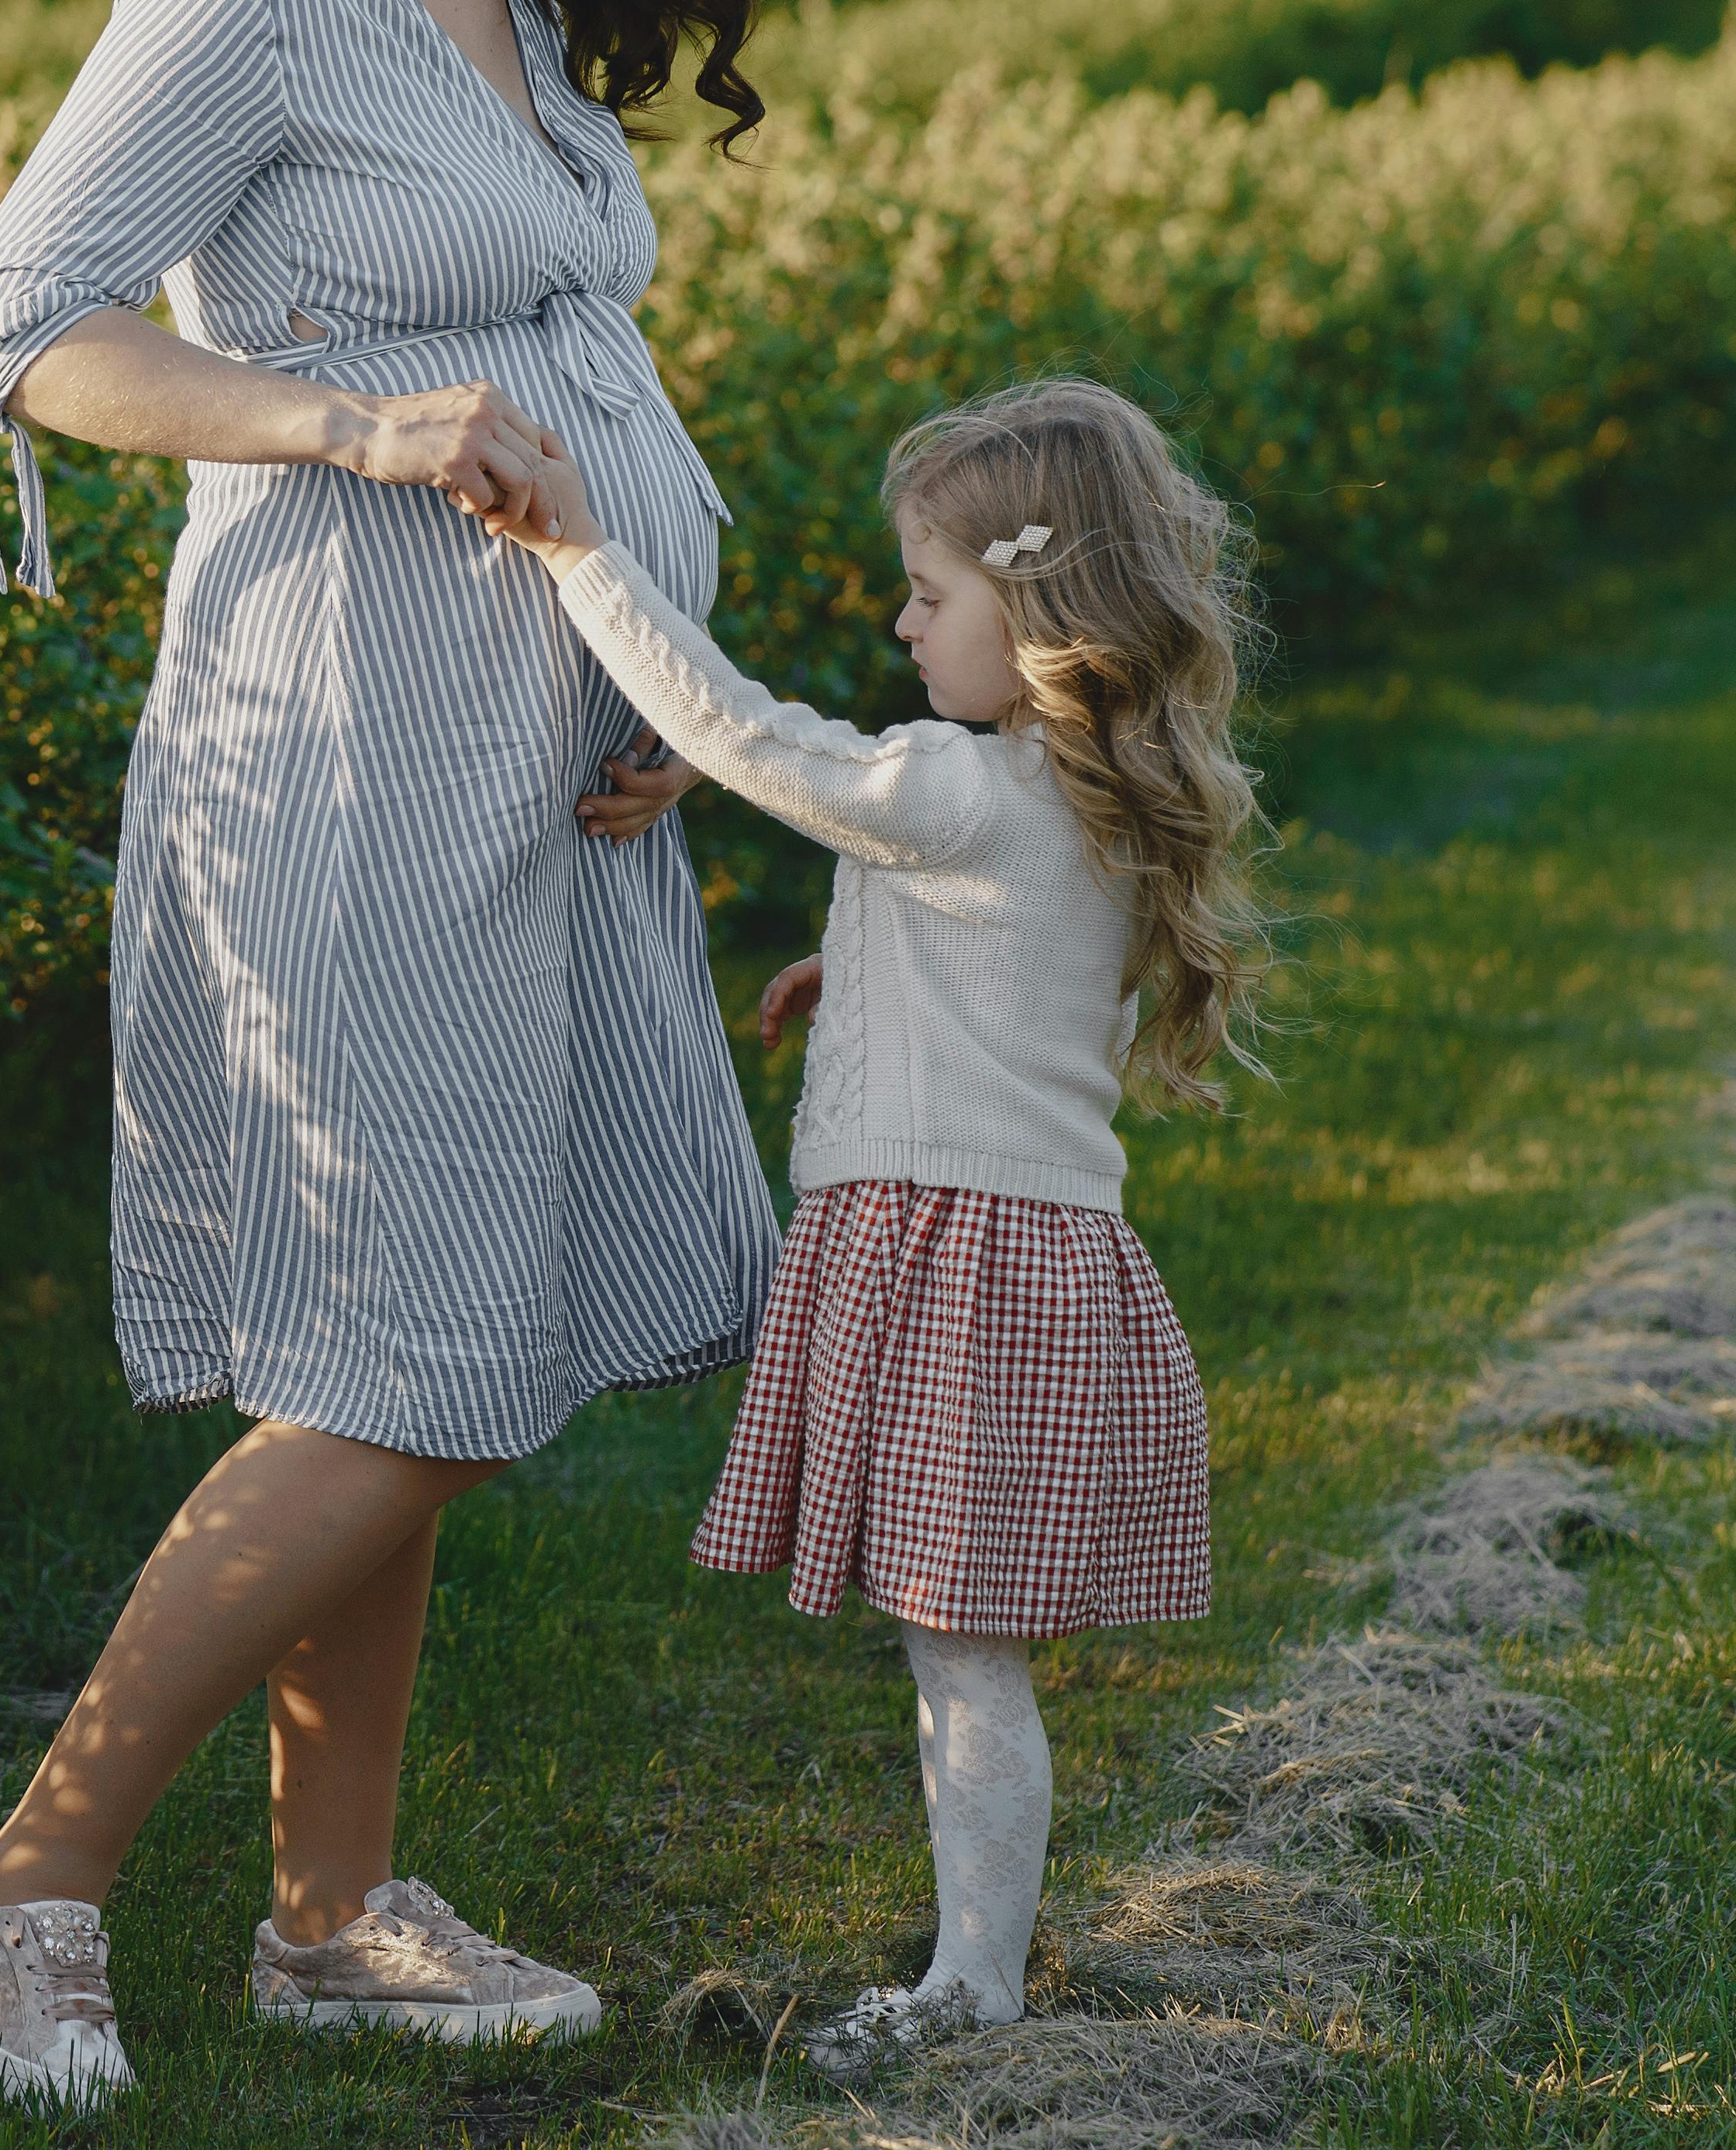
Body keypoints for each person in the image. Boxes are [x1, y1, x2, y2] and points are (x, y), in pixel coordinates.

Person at [0, 0, 905, 2107]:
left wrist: (652, 680)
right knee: (422, 1368)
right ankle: (21, 1892)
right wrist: (345, 419)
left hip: (529, 766)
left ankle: (334, 1910)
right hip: (341, 749)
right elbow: (18, 324)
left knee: (419, 1336)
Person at [477, 372, 1276, 2084]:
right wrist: (882, 968)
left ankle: (977, 1978)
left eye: (929, 590)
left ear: (1039, 607)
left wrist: (582, 556)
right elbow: (1053, 998)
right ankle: (972, 1952)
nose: (903, 621)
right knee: (955, 1633)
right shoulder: (1097, 801)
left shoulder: (955, 784)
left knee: (965, 1647)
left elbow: (760, 739)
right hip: (1026, 1265)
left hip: (953, 1274)